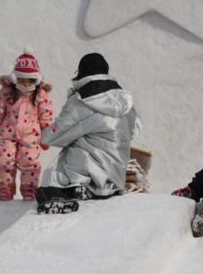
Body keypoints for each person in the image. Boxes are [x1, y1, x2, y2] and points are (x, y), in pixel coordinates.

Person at [37, 53, 140, 214]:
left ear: (81, 72)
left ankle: (75, 187)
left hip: (88, 171)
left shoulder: (83, 99)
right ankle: (91, 187)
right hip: (116, 176)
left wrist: (37, 133)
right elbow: (134, 130)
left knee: (47, 185)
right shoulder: (127, 101)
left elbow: (53, 135)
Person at [0, 48, 54, 201]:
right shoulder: (6, 91)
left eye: (29, 81)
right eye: (21, 80)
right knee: (4, 161)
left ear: (36, 80)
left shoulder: (40, 95)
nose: (25, 84)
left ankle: (29, 190)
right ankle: (6, 190)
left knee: (30, 162)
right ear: (15, 78)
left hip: (31, 135)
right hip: (7, 133)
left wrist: (47, 136)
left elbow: (46, 116)